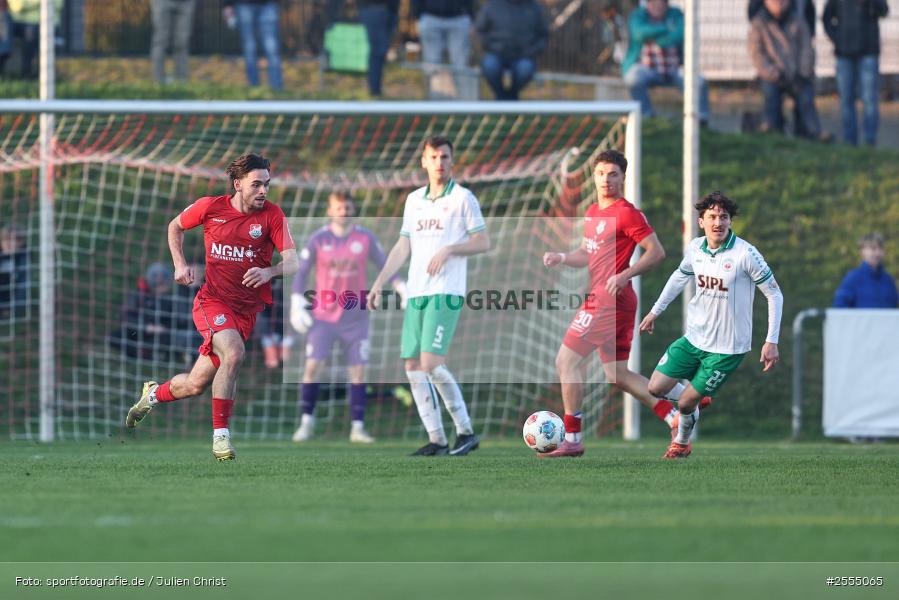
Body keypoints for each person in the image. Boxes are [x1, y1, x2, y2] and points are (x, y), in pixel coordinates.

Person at [125, 154, 299, 461]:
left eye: (267, 185)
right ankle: (221, 438)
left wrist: (269, 271)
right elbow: (175, 226)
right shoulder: (211, 207)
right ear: (237, 185)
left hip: (245, 312)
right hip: (211, 301)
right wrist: (179, 264)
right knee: (234, 352)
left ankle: (152, 394)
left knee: (194, 384)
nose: (263, 191)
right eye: (256, 184)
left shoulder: (273, 216)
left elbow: (294, 261)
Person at [541, 149, 697, 458]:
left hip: (608, 301)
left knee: (566, 361)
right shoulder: (592, 213)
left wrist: (626, 273)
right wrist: (561, 257)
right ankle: (673, 415)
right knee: (617, 374)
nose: (606, 179)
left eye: (613, 174)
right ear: (594, 176)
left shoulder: (627, 213)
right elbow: (587, 255)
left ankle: (572, 438)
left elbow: (656, 251)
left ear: (623, 177)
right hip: (612, 300)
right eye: (601, 174)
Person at [368, 136, 490, 456]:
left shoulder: (464, 198)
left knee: (432, 363)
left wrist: (450, 248)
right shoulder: (414, 200)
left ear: (452, 160)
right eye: (433, 157)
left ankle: (466, 432)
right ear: (423, 161)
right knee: (412, 365)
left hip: (446, 291)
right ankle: (437, 439)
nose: (439, 163)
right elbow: (403, 246)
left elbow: (482, 242)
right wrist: (380, 282)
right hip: (417, 292)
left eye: (445, 157)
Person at [640, 191, 784, 459]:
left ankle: (681, 443)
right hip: (694, 338)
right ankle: (696, 398)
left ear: (730, 221)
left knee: (684, 404)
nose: (718, 223)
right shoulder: (696, 248)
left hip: (727, 348)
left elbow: (774, 294)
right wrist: (654, 312)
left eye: (724, 217)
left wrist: (771, 340)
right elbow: (679, 277)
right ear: (701, 221)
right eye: (712, 217)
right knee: (655, 387)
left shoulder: (745, 254)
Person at [290, 191, 407, 444]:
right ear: (330, 210)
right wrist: (296, 301)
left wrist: (400, 287)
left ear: (353, 209)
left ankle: (358, 428)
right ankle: (306, 424)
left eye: (347, 207)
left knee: (358, 372)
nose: (343, 211)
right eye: (338, 207)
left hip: (356, 318)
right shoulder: (319, 239)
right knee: (312, 368)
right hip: (323, 318)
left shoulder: (365, 238)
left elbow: (385, 264)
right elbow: (301, 272)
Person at [622, 0, 710, 123]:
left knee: (699, 81)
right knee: (633, 79)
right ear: (648, 4)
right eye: (654, 3)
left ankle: (700, 120)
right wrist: (664, 29)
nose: (658, 6)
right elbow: (640, 34)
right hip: (647, 68)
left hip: (674, 68)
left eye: (661, 3)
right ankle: (647, 117)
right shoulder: (638, 15)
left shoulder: (676, 15)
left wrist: (657, 38)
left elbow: (682, 33)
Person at [748, 0, 822, 140]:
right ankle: (771, 130)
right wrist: (772, 73)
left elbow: (807, 50)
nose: (779, 4)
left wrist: (802, 73)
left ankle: (812, 133)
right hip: (773, 76)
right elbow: (757, 54)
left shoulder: (799, 21)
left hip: (796, 74)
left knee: (805, 95)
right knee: (771, 94)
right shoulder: (759, 23)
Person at [823, 0, 889, 146]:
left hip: (868, 51)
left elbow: (884, 11)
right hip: (844, 52)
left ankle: (870, 140)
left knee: (869, 98)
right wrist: (837, 38)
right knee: (846, 98)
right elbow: (827, 17)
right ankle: (849, 139)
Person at [109, 262, 196, 362]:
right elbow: (125, 318)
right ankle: (146, 354)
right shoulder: (139, 295)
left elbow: (181, 320)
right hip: (141, 333)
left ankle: (163, 355)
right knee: (115, 337)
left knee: (177, 337)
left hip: (164, 335)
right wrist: (148, 327)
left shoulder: (172, 297)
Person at [475, 0, 548, 100]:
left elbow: (544, 35)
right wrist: (489, 46)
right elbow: (480, 30)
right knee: (489, 65)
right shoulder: (492, 5)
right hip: (497, 53)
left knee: (525, 69)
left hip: (524, 55)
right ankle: (502, 95)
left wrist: (533, 50)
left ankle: (511, 95)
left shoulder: (534, 7)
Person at [223, 0, 284, 91]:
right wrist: (227, 5)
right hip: (244, 5)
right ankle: (254, 88)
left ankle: (277, 89)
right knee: (249, 47)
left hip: (267, 4)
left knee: (272, 47)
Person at [833, 232, 898, 308]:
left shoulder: (888, 280)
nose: (877, 253)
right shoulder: (853, 278)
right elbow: (840, 307)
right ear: (862, 251)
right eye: (873, 248)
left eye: (880, 248)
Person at [412, 0, 474, 69]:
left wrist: (471, 18)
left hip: (459, 18)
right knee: (432, 65)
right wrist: (416, 17)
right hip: (430, 17)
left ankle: (461, 79)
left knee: (461, 65)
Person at [357, 0, 398, 97]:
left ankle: (376, 89)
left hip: (390, 9)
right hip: (373, 8)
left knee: (379, 52)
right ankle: (374, 91)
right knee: (377, 50)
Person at [150, 0, 196, 85]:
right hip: (162, 2)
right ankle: (158, 81)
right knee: (161, 40)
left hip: (186, 3)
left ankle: (182, 81)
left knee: (182, 42)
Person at [0, 223, 28, 319]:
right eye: (5, 239)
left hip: (9, 295)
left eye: (12, 240)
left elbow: (22, 285)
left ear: (20, 243)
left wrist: (12, 308)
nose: (7, 243)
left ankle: (7, 309)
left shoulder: (22, 258)